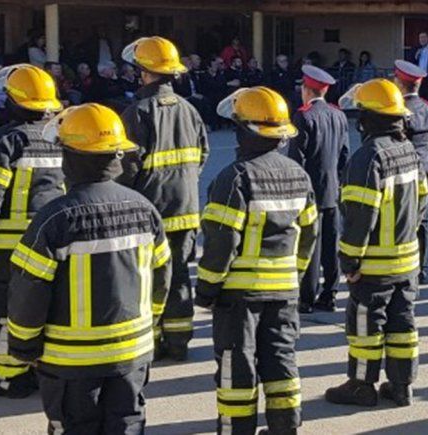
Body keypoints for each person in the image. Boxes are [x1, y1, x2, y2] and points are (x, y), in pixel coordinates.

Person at [7, 103, 171, 433]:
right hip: (131, 355)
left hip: (73, 364)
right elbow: (162, 275)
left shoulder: (54, 219)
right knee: (127, 426)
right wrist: (149, 325)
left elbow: (29, 291)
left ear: (71, 157)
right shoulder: (145, 210)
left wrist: (24, 346)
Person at [196, 86, 317, 435]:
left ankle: (238, 429)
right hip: (284, 291)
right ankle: (286, 427)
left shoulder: (235, 177)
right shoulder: (299, 174)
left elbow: (221, 242)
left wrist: (207, 287)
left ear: (244, 129)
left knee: (238, 365)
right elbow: (309, 233)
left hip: (240, 295)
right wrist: (294, 274)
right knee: (281, 360)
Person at [325, 78, 426, 408]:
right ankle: (401, 386)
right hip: (408, 261)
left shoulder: (368, 157)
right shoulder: (410, 151)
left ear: (368, 118)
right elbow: (423, 200)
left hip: (375, 266)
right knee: (402, 325)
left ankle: (361, 387)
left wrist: (350, 262)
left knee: (366, 326)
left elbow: (358, 218)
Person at [120, 36, 209, 361]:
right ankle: (179, 340)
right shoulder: (190, 110)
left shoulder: (137, 112)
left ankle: (154, 339)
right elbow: (203, 154)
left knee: (149, 276)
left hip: (149, 212)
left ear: (144, 73)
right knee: (181, 273)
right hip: (185, 211)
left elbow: (127, 167)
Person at [0, 64, 63, 398]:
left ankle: (9, 375)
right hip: (48, 242)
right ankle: (38, 368)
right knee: (39, 306)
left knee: (6, 311)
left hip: (6, 246)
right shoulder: (59, 137)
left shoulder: (8, 140)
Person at [288, 65, 349, 313]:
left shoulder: (304, 116)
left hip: (310, 191)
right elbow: (345, 155)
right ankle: (330, 293)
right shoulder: (339, 115)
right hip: (334, 189)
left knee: (310, 244)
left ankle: (307, 297)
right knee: (331, 243)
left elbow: (296, 160)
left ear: (306, 90)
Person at [393, 60, 428, 283]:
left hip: (405, 172)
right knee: (424, 222)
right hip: (425, 170)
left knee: (402, 220)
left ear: (400, 85)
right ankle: (422, 268)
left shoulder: (399, 111)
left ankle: (406, 266)